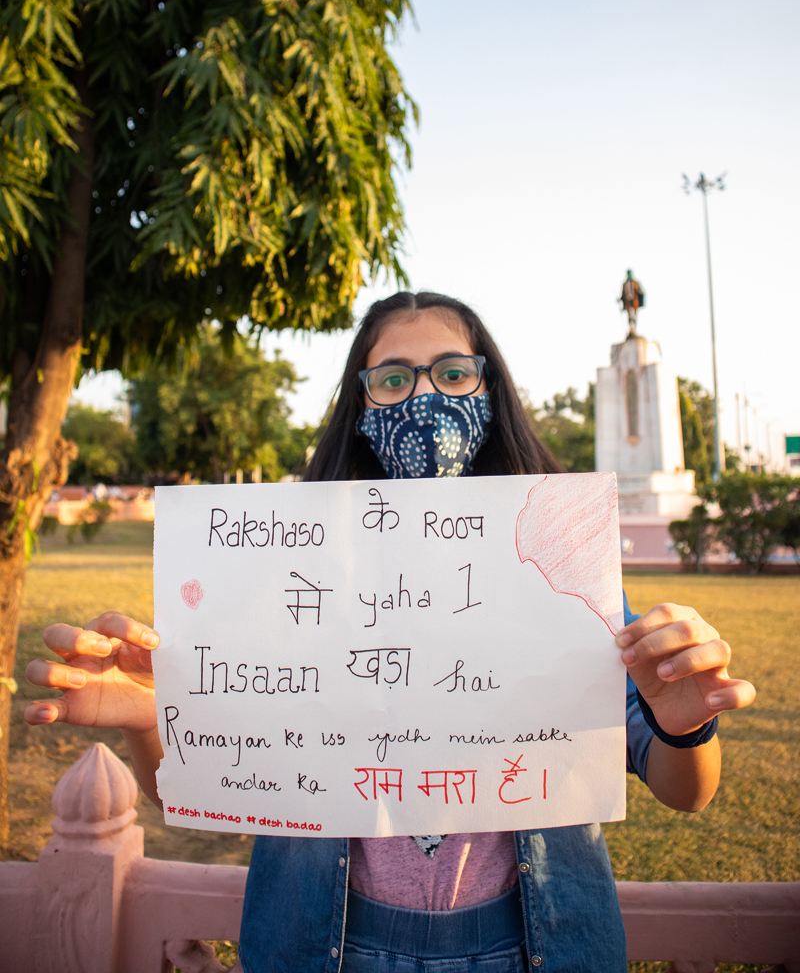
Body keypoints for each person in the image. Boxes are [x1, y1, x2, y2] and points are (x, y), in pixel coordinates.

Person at [25, 291, 755, 973]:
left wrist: (683, 725)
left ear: (490, 389)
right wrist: (156, 723)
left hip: (532, 939)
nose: (425, 398)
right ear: (361, 403)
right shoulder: (282, 570)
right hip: (324, 941)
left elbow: (684, 791)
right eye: (394, 380)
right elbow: (191, 786)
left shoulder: (563, 574)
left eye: (451, 373)